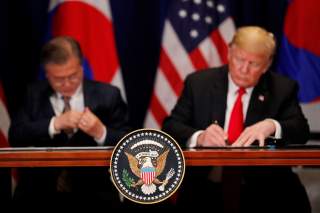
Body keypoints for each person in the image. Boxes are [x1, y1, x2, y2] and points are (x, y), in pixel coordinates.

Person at [162, 26, 311, 212]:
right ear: (229, 53)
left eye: (254, 64)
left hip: (263, 193)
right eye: (240, 59)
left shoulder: (282, 88)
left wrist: (272, 125)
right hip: (204, 189)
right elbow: (170, 127)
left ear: (266, 65)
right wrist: (199, 137)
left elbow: (300, 130)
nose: (244, 69)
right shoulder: (199, 83)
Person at [9, 36, 130, 207]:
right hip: (38, 194)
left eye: (73, 76)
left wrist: (100, 132)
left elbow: (129, 143)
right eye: (58, 79)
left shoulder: (108, 94)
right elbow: (15, 136)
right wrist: (54, 124)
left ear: (81, 67)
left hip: (94, 195)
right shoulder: (32, 94)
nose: (66, 84)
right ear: (47, 73)